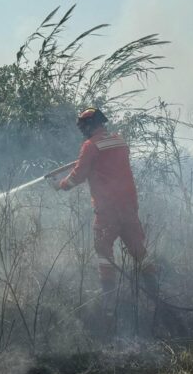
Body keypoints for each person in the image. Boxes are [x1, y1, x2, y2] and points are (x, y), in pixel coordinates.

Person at [50, 107, 155, 294]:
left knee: (103, 250)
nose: (82, 131)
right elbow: (109, 162)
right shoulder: (119, 141)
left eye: (83, 127)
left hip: (108, 209)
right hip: (129, 205)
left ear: (90, 125)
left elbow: (78, 176)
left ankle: (108, 295)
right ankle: (154, 289)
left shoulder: (90, 146)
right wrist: (88, 160)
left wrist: (60, 185)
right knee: (138, 248)